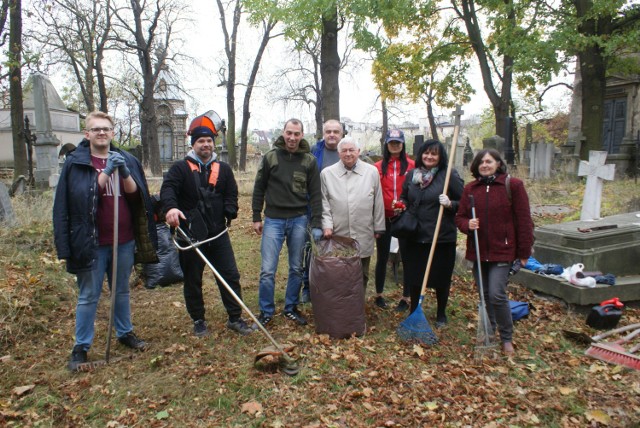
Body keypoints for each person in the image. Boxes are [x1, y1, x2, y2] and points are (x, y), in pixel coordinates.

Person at [53, 111, 158, 371]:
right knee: (89, 294)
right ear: (86, 134)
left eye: (106, 129)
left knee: (120, 290)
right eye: (96, 129)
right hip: (91, 241)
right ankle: (82, 346)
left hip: (123, 239)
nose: (101, 133)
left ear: (113, 133)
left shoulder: (128, 160)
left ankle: (125, 333)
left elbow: (136, 198)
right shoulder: (76, 164)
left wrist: (122, 171)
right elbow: (76, 201)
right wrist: (104, 173)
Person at [161, 111, 253, 337]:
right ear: (194, 144)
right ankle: (198, 320)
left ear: (214, 143)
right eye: (201, 141)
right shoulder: (180, 169)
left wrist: (231, 210)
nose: (206, 145)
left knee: (230, 275)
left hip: (218, 234)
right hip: (190, 235)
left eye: (209, 141)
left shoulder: (224, 169)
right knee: (193, 279)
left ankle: (235, 317)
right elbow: (168, 190)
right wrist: (171, 208)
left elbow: (231, 192)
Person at [455, 149, 534, 354]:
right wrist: (467, 224)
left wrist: (524, 252)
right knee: (484, 294)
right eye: (481, 162)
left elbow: (524, 221)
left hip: (503, 249)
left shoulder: (513, 186)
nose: (484, 165)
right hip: (479, 250)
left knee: (497, 294)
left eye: (489, 161)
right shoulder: (471, 189)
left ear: (498, 163)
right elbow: (460, 217)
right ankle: (489, 330)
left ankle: (506, 337)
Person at [252, 118, 323, 328]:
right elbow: (259, 188)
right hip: (273, 219)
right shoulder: (270, 158)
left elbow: (316, 194)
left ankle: (291, 307)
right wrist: (256, 216)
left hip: (299, 219)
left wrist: (316, 222)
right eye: (289, 133)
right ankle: (266, 311)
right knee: (267, 270)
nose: (292, 138)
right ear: (283, 133)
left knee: (296, 268)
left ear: (302, 135)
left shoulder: (309, 161)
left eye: (296, 134)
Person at [397, 139, 463, 328]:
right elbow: (404, 196)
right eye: (426, 153)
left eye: (434, 154)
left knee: (441, 277)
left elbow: (465, 202)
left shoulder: (448, 175)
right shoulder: (412, 175)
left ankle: (441, 313)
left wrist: (450, 204)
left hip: (440, 237)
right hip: (415, 235)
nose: (429, 156)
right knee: (415, 276)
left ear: (440, 157)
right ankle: (414, 311)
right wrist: (401, 205)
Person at [320, 136, 385, 291]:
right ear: (338, 153)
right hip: (339, 231)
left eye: (351, 150)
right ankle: (341, 307)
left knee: (361, 272)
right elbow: (325, 202)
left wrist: (379, 227)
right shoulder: (327, 174)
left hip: (363, 229)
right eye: (344, 150)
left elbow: (378, 201)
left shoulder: (371, 172)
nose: (348, 154)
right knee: (339, 272)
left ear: (358, 152)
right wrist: (327, 225)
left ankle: (357, 308)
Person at [301, 119, 345, 303]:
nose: (332, 135)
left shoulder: (347, 151)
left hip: (341, 209)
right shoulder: (314, 152)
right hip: (315, 209)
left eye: (336, 131)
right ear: (323, 133)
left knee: (338, 249)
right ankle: (308, 287)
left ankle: (335, 286)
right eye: (329, 131)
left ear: (342, 134)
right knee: (312, 248)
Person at [374, 129, 415, 310]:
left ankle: (406, 297)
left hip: (404, 217)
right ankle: (379, 295)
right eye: (392, 142)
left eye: (398, 142)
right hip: (385, 217)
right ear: (387, 144)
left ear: (403, 143)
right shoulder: (377, 167)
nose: (395, 145)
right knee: (382, 257)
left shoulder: (412, 166)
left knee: (407, 257)